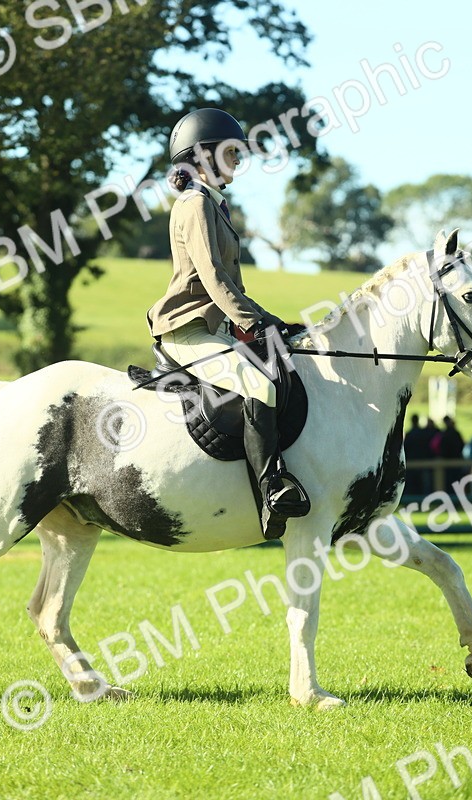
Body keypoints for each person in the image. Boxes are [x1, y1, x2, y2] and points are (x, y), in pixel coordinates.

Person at [146, 108, 307, 539]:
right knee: (260, 385)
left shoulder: (215, 205)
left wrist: (273, 323)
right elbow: (214, 278)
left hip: (215, 328)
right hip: (187, 329)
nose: (238, 158)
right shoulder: (195, 203)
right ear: (203, 155)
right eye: (231, 150)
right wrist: (256, 324)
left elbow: (233, 286)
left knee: (286, 365)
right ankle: (271, 488)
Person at [403, 415, 434, 496]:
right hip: (423, 461)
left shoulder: (409, 434)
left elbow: (406, 447)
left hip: (411, 462)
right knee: (423, 484)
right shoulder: (423, 433)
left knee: (412, 484)